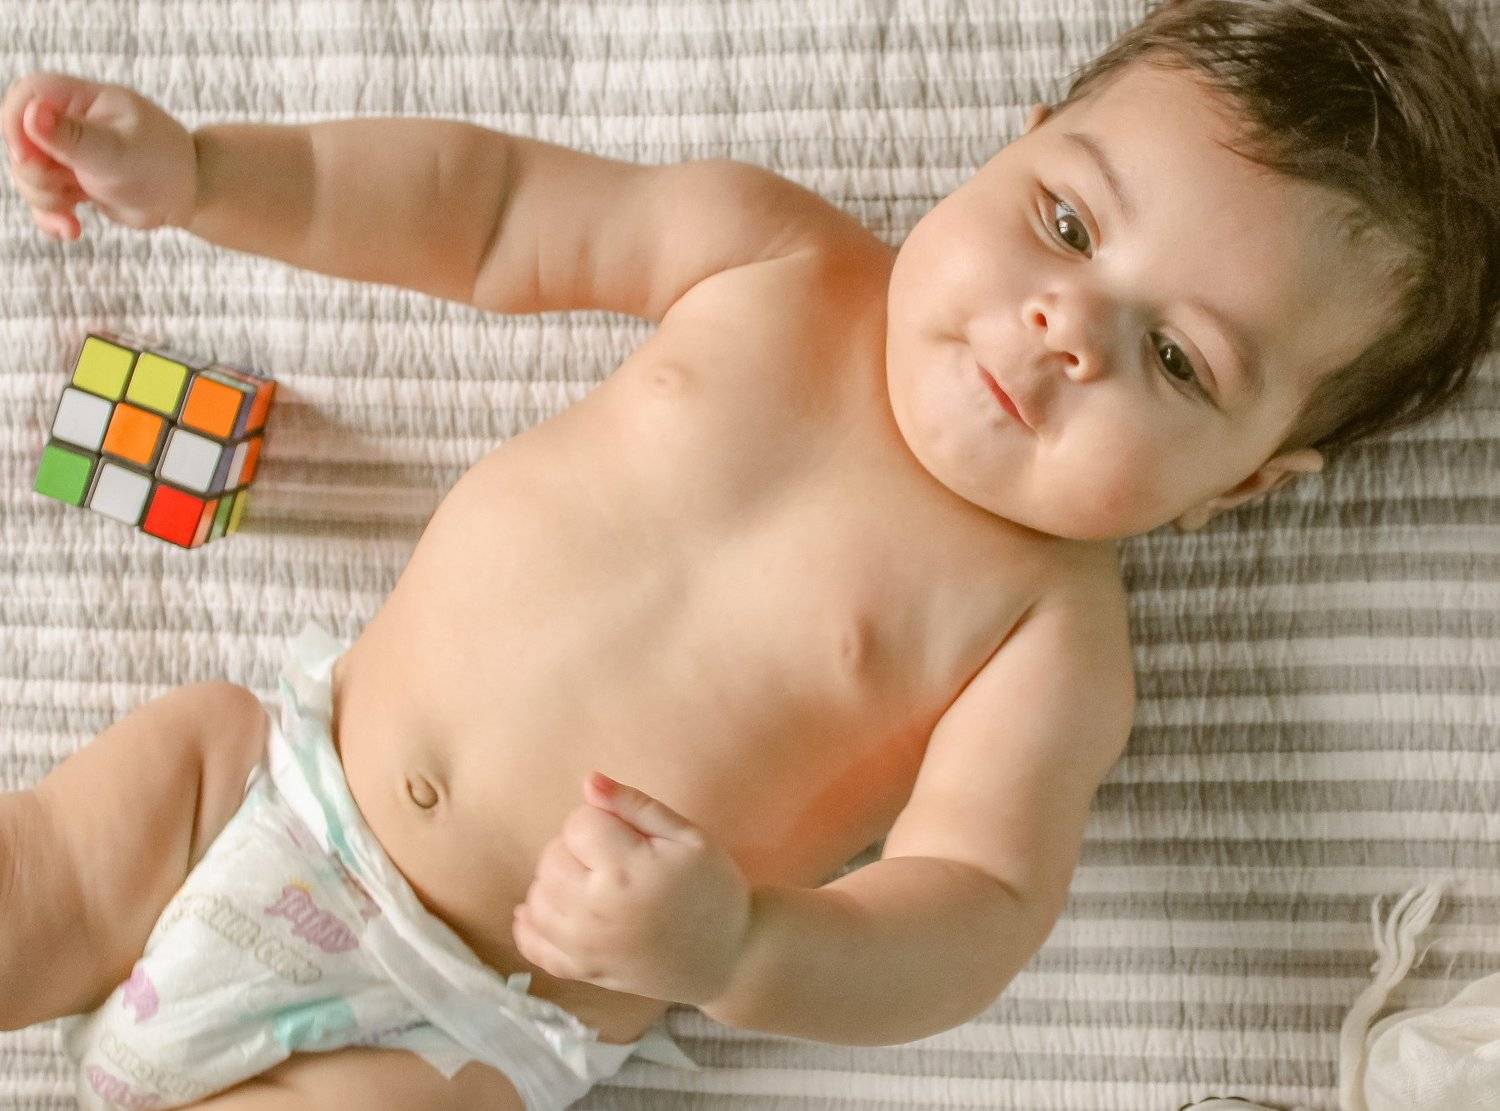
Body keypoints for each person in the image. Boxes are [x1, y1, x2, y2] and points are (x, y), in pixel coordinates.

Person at [2, 0, 1496, 1108]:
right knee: (45, 868)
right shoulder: (772, 256)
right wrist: (206, 175)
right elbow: (486, 208)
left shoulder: (1044, 636)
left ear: (1239, 487)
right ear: (1012, 144)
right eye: (1063, 221)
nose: (1067, 328)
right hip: (265, 779)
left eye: (1176, 359)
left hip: (455, 1017)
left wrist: (737, 947)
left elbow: (974, 910)